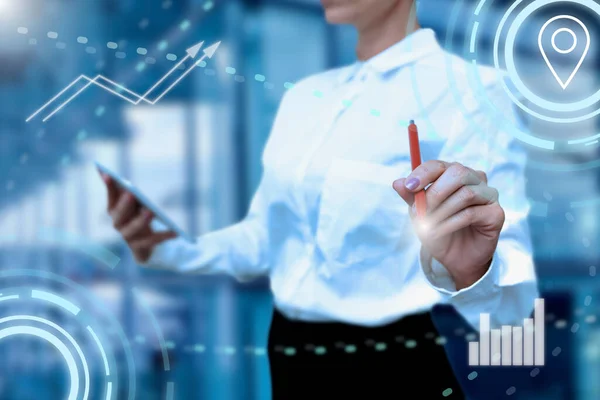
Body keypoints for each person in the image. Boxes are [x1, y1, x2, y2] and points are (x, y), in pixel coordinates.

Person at [100, 0, 538, 398]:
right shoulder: (304, 99)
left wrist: (472, 272)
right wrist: (166, 249)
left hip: (389, 365)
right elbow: (267, 238)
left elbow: (515, 313)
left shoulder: (471, 90)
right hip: (290, 354)